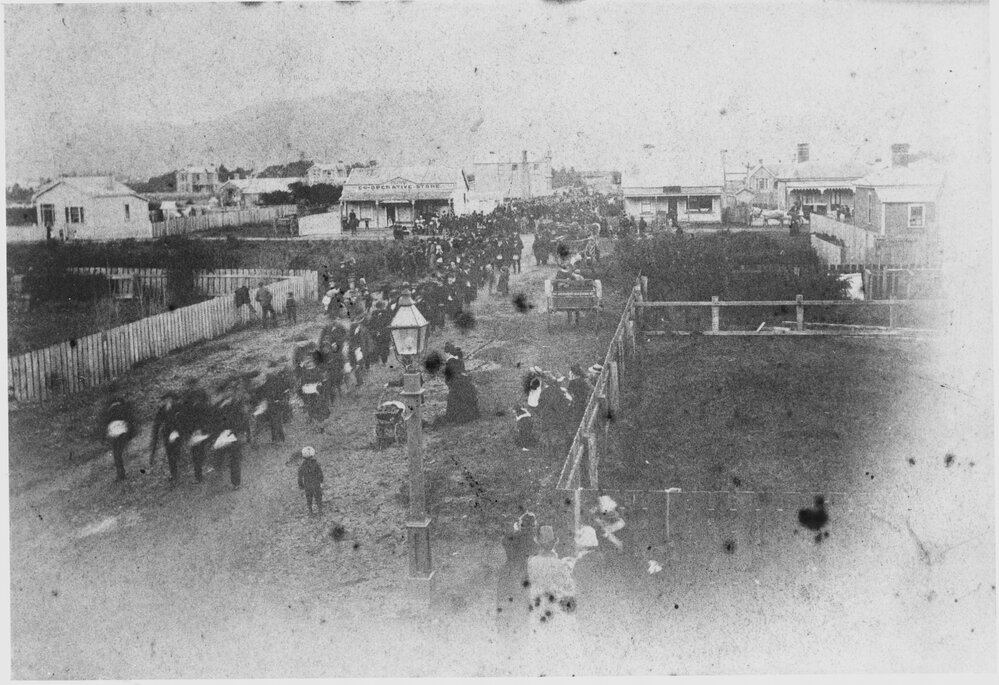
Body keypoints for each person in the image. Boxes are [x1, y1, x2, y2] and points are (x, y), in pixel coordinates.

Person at [496, 512, 541, 670]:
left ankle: (507, 641)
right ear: (533, 527)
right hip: (523, 573)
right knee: (522, 608)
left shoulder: (511, 537)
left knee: (506, 606)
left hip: (508, 573)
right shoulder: (532, 541)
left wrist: (516, 530)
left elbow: (505, 541)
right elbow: (535, 550)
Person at [102, 394, 137, 482]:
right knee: (117, 454)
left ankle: (121, 474)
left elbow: (107, 422)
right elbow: (129, 420)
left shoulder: (112, 409)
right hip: (120, 431)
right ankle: (121, 474)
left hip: (118, 432)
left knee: (117, 454)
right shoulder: (122, 408)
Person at [149, 392, 183, 482]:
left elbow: (183, 420)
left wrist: (178, 431)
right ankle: (174, 475)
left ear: (172, 399)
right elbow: (157, 422)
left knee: (176, 453)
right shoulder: (162, 409)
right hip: (167, 434)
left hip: (177, 433)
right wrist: (155, 434)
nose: (168, 401)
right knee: (170, 455)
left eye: (169, 398)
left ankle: (178, 470)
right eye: (166, 399)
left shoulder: (178, 407)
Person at [297, 446, 325, 516]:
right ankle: (320, 510)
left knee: (309, 498)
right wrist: (321, 481)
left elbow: (300, 477)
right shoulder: (316, 464)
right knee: (318, 497)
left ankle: (310, 511)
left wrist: (301, 485)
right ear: (312, 455)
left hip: (307, 485)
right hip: (316, 484)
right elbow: (320, 473)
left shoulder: (302, 466)